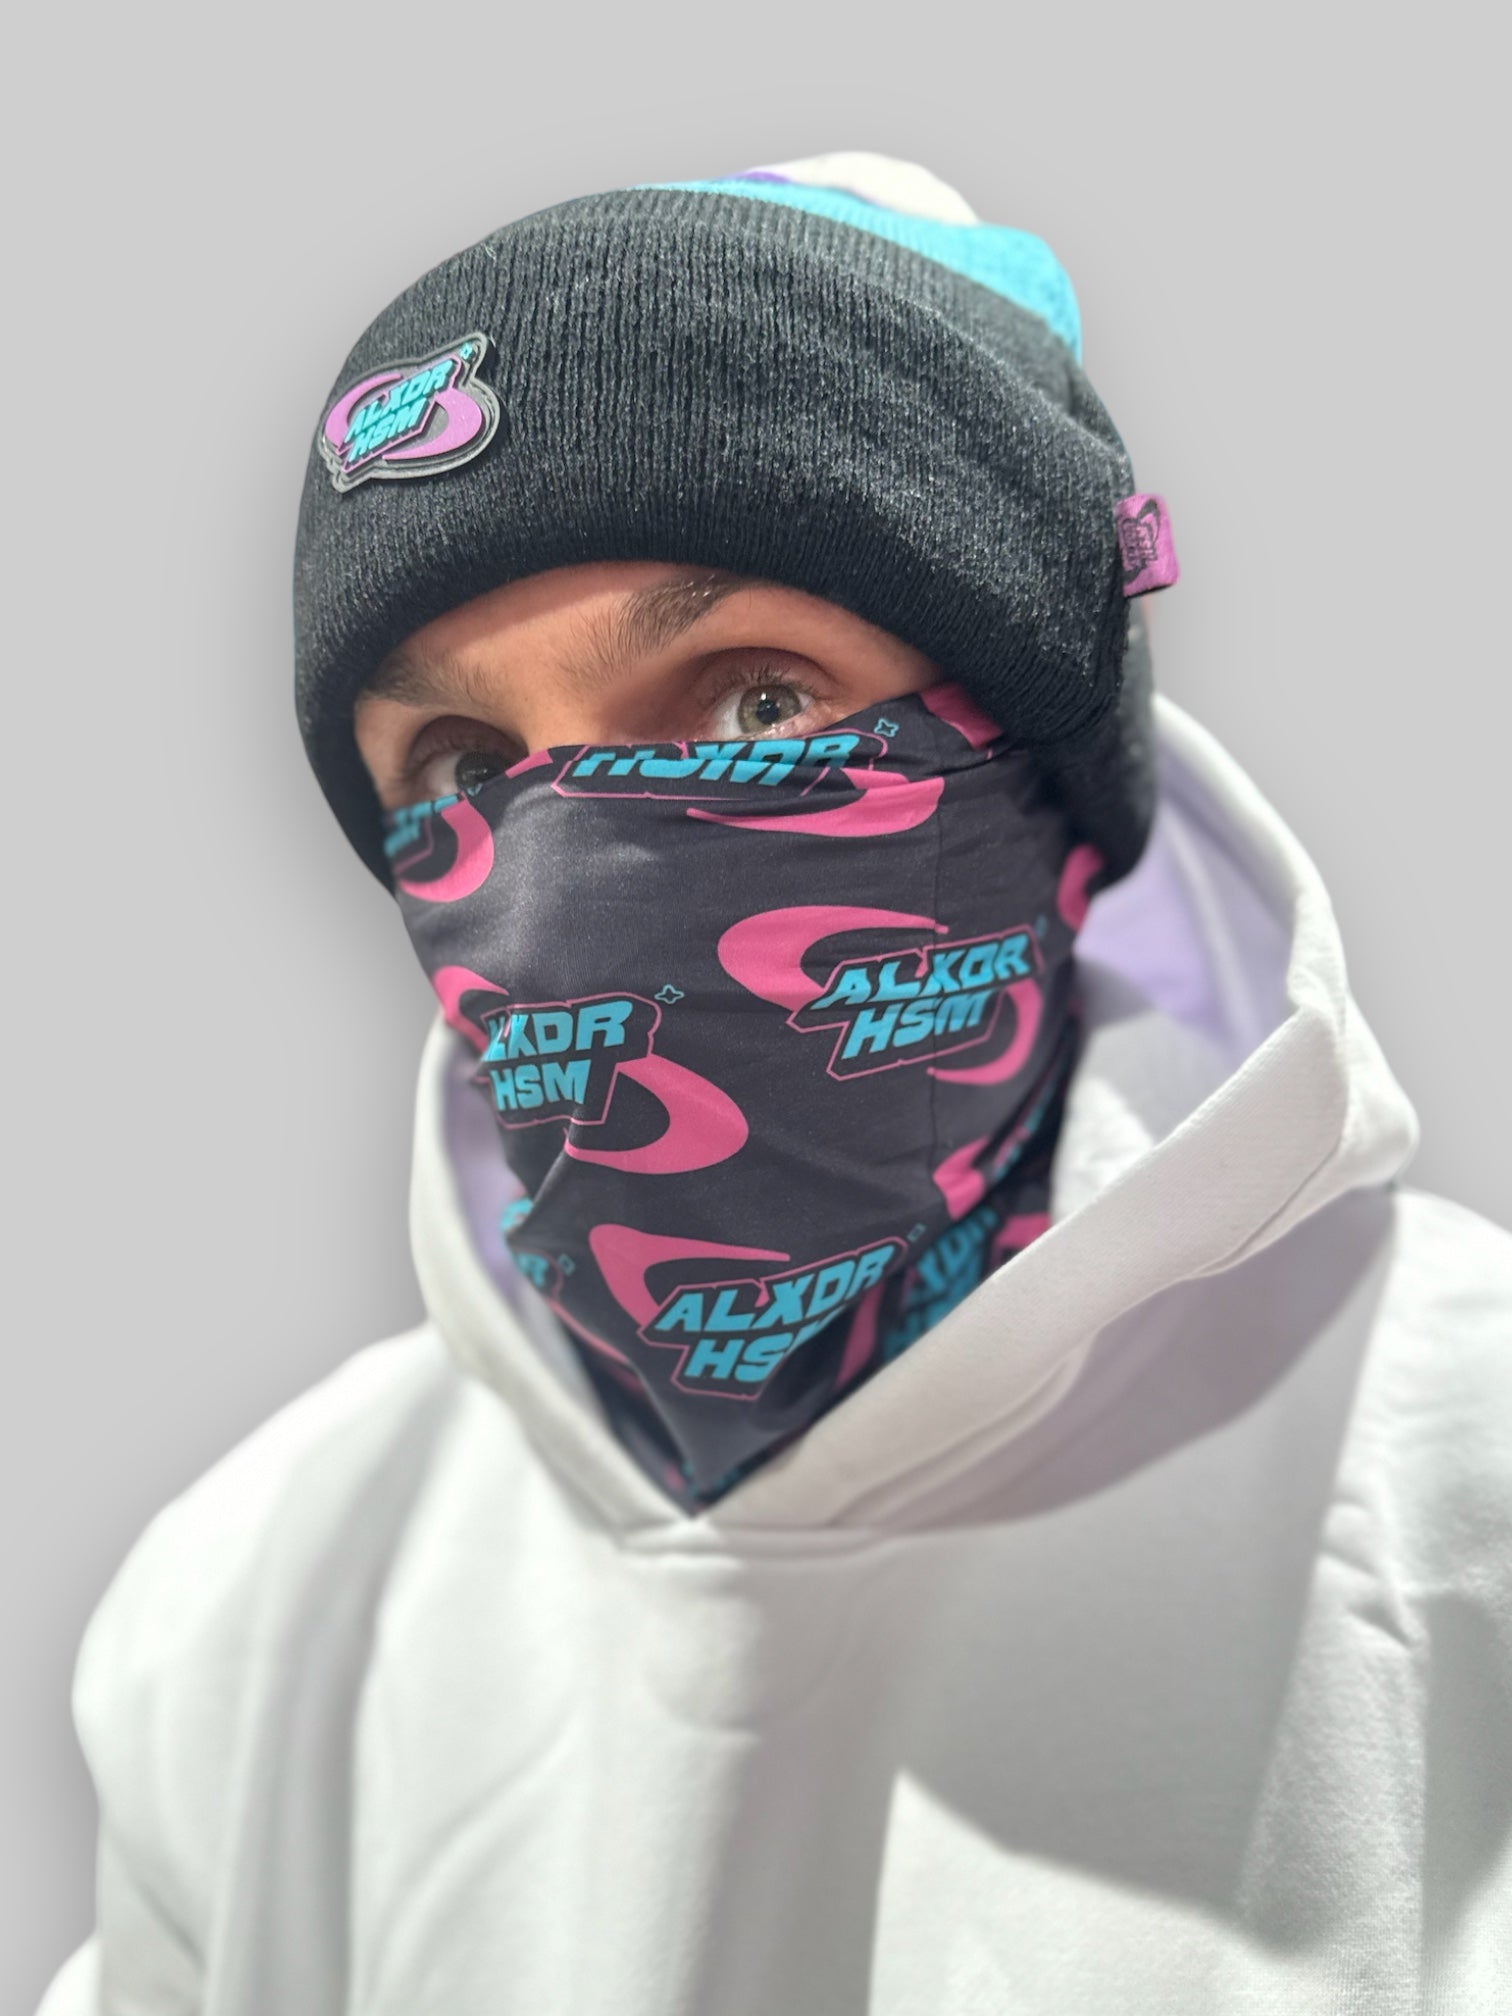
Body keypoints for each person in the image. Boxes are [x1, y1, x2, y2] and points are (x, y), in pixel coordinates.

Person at [38, 155, 1512, 2015]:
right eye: (465, 763)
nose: (570, 880)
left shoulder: (1460, 1496)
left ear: (1039, 758)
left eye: (755, 700)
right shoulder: (251, 1609)